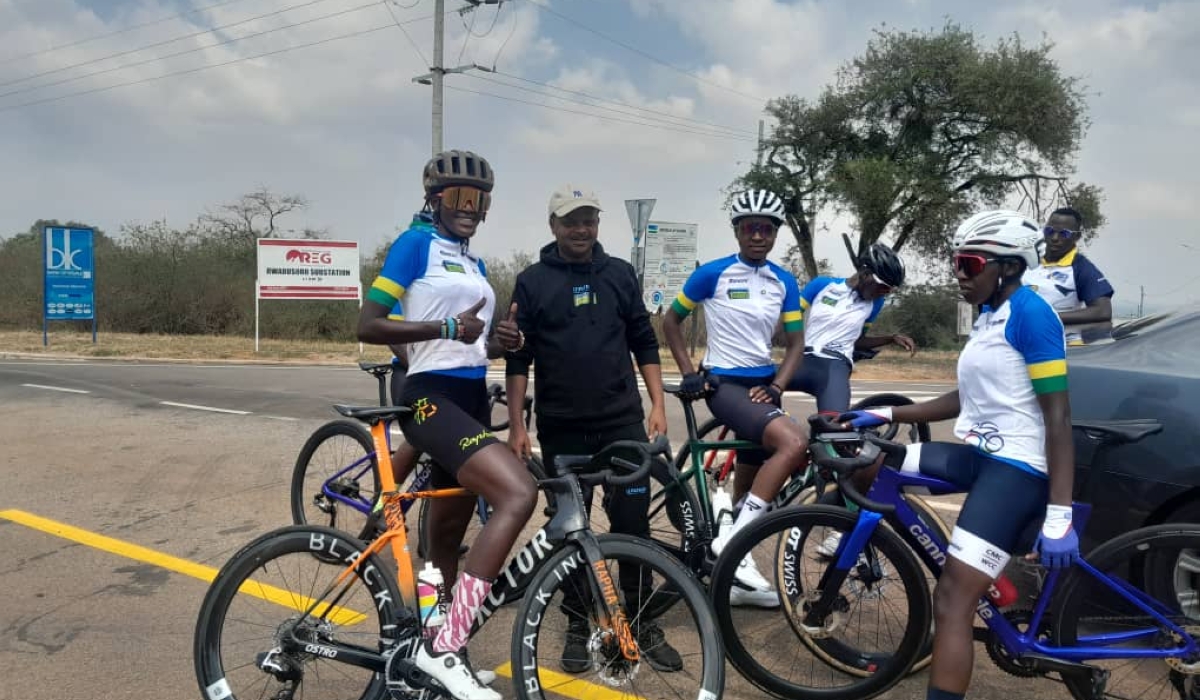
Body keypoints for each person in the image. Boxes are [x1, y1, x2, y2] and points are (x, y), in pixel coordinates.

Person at [837, 209, 1076, 700]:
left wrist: (1059, 516)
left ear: (1007, 266)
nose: (959, 276)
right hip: (980, 456)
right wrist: (884, 417)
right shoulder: (991, 318)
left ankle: (975, 579)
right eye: (956, 264)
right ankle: (970, 565)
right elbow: (964, 399)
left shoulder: (1032, 315)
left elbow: (1059, 419)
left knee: (951, 599)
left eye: (969, 264)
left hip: (1017, 468)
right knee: (870, 461)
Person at [357, 149, 533, 700]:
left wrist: (499, 342)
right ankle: (446, 647)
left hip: (471, 396)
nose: (468, 208)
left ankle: (435, 644)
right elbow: (369, 324)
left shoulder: (475, 263)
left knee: (447, 541)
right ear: (433, 199)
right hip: (429, 397)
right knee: (517, 495)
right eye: (457, 197)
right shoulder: (415, 245)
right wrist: (443, 324)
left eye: (478, 200)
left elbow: (472, 340)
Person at [501, 185, 682, 673]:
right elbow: (519, 357)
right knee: (570, 529)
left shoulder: (620, 274)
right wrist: (518, 424)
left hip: (621, 422)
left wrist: (658, 403)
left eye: (589, 220)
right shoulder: (532, 281)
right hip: (561, 428)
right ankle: (579, 620)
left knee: (632, 524)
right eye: (571, 221)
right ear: (553, 226)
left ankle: (640, 620)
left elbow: (644, 342)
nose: (581, 229)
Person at [662, 188, 808, 607]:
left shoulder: (784, 281)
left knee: (756, 467)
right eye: (750, 228)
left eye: (767, 229)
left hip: (763, 386)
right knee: (792, 441)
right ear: (738, 231)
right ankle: (731, 541)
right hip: (723, 385)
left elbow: (796, 343)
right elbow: (672, 321)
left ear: (776, 234)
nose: (758, 236)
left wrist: (778, 385)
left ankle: (736, 573)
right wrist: (690, 372)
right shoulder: (713, 273)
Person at [789, 242, 915, 412]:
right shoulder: (822, 285)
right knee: (753, 383)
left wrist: (890, 339)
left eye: (890, 290)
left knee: (832, 427)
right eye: (883, 286)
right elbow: (787, 321)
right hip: (803, 358)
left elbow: (857, 341)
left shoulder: (875, 303)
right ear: (864, 272)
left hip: (835, 364)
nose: (884, 293)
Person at [1022, 206, 1114, 345]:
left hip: (1064, 346)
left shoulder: (1081, 267)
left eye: (1064, 234)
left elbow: (1102, 311)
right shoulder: (1026, 260)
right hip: (1022, 340)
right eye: (1049, 231)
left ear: (1076, 236)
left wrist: (1049, 317)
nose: (1054, 238)